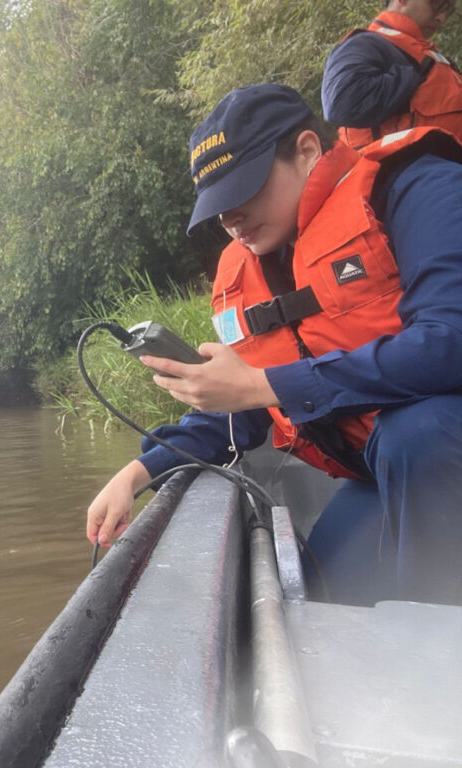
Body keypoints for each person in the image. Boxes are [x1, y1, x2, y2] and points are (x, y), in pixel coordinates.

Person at [86, 83, 462, 607]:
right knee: (321, 590)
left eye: (244, 189)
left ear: (307, 151)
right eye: (219, 206)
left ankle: (439, 659)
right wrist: (138, 471)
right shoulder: (246, 272)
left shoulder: (416, 185)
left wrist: (264, 384)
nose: (230, 218)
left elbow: (451, 341)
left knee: (415, 433)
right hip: (380, 474)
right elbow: (239, 407)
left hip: (433, 449)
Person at [322, 0, 462, 149]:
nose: (442, 18)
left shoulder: (429, 57)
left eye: (448, 9)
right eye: (437, 5)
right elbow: (342, 103)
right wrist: (412, 75)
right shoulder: (366, 44)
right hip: (405, 167)